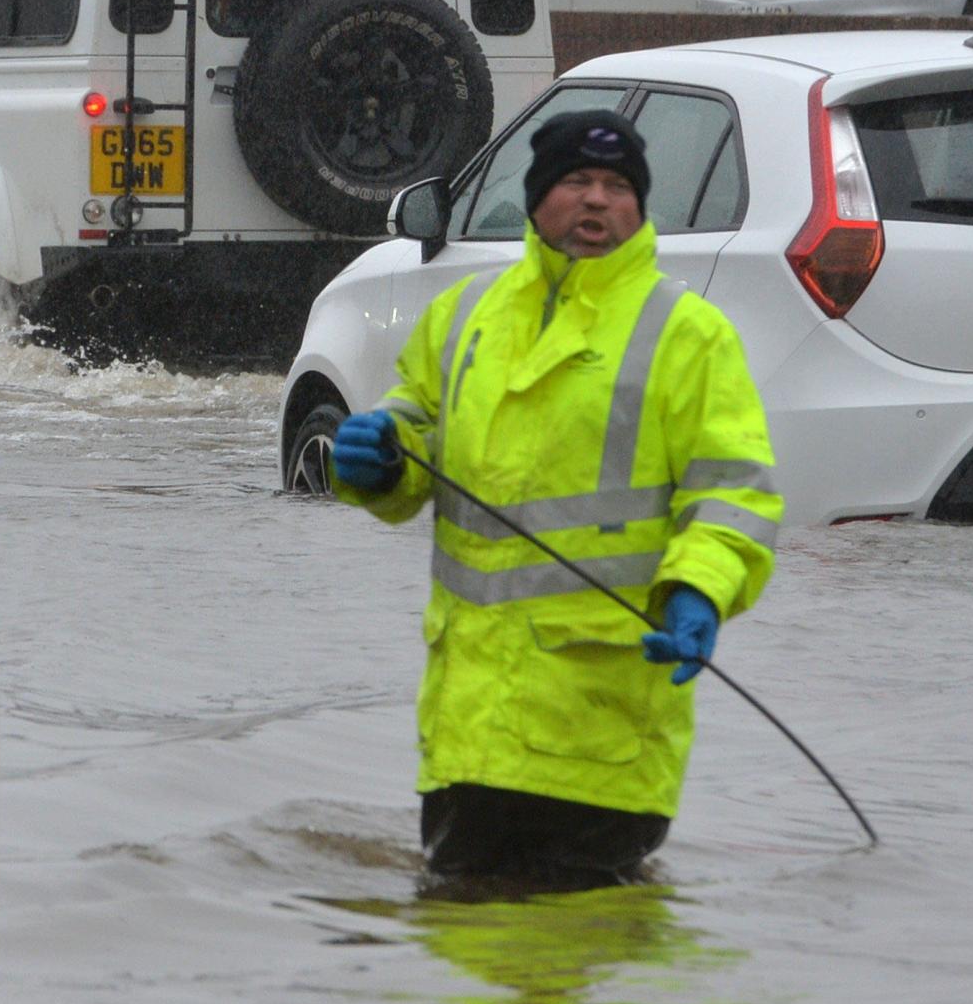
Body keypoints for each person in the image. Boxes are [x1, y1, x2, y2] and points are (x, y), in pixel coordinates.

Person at [330, 109, 784, 891]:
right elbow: (417, 432)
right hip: (468, 733)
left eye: (617, 186)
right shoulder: (464, 315)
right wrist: (379, 459)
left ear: (640, 206)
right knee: (461, 984)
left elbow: (734, 495)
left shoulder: (689, 334)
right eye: (577, 181)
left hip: (600, 731)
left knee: (588, 972)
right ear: (537, 198)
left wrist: (700, 592)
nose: (598, 201)